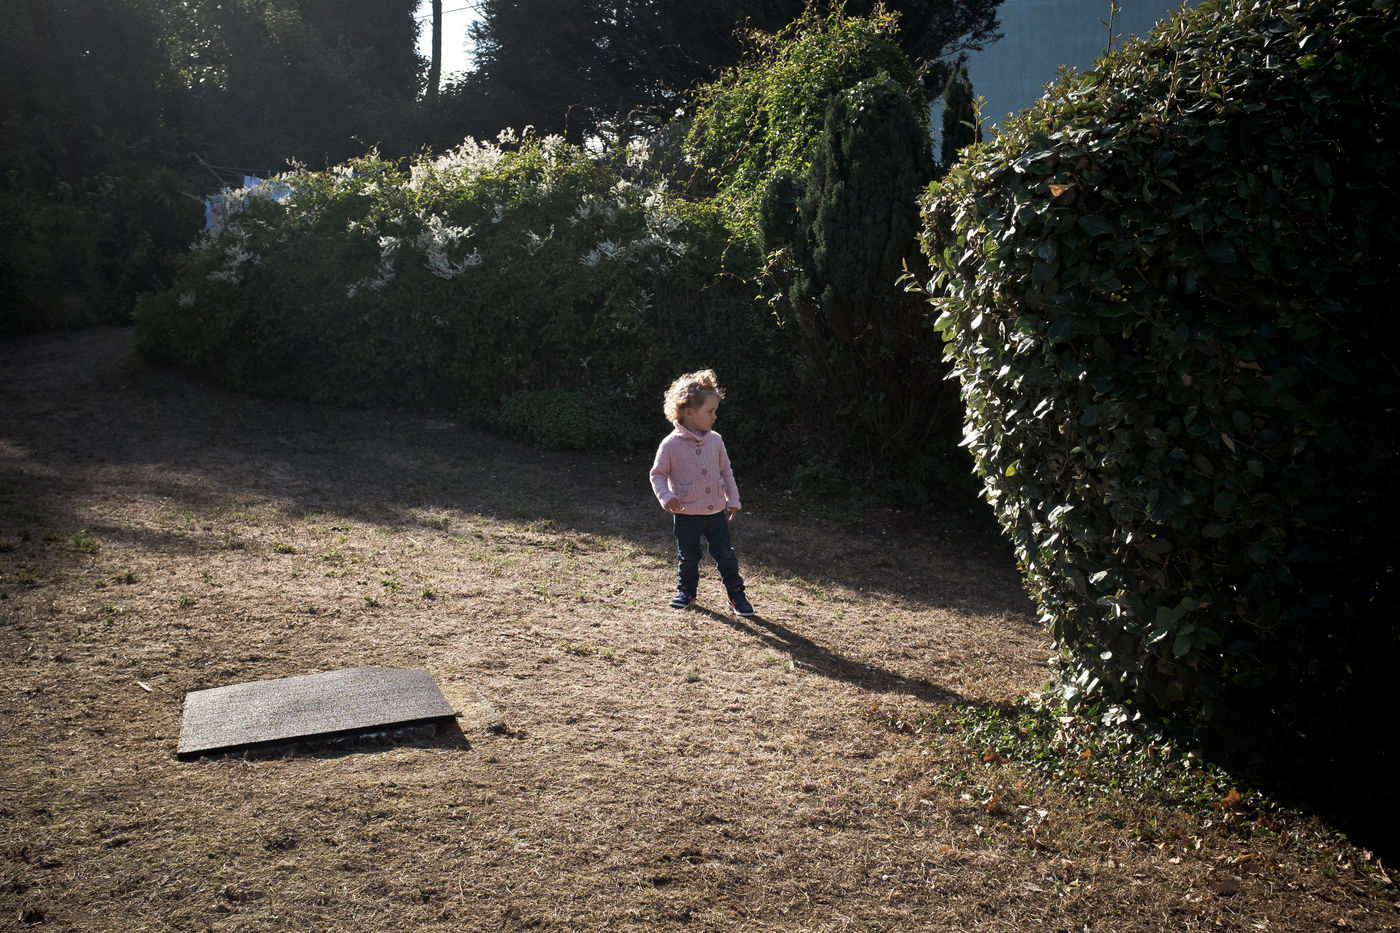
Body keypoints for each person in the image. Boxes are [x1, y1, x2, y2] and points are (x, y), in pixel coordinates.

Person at [649, 370, 755, 617]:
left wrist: (733, 499)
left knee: (725, 554)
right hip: (686, 514)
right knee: (688, 556)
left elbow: (726, 471)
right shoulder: (670, 445)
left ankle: (736, 594)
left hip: (716, 513)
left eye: (715, 411)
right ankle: (687, 591)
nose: (715, 416)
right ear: (688, 412)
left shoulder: (716, 441)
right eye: (710, 411)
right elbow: (657, 474)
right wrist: (666, 497)